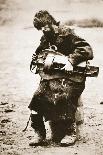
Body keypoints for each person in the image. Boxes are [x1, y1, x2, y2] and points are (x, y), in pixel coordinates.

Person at [28, 10, 93, 146]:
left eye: (44, 26)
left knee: (64, 95)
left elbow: (86, 49)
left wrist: (70, 60)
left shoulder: (67, 32)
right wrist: (37, 58)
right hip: (52, 77)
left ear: (51, 22)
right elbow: (41, 53)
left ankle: (70, 132)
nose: (43, 30)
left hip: (72, 77)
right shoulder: (45, 37)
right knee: (36, 97)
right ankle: (39, 133)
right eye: (40, 28)